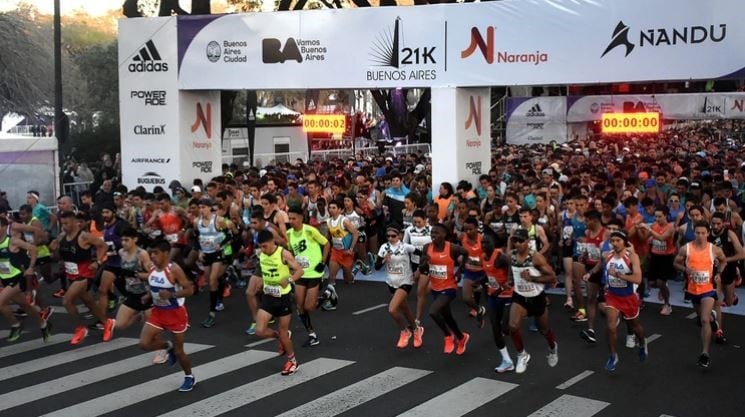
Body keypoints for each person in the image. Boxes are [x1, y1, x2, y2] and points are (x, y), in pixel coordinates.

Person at [139, 239, 196, 391]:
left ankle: (189, 376)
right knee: (144, 344)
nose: (152, 256)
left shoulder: (174, 269)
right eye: (151, 253)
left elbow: (189, 290)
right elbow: (155, 287)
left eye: (156, 253)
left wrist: (172, 294)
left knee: (179, 352)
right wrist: (148, 296)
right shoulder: (151, 268)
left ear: (166, 253)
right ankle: (167, 346)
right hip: (158, 312)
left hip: (175, 314)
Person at [587, 230, 647, 371]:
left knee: (635, 326)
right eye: (612, 241)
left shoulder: (632, 257)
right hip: (612, 296)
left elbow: (638, 279)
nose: (614, 243)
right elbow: (599, 265)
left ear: (624, 241)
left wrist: (619, 275)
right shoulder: (607, 256)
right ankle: (613, 356)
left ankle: (643, 343)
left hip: (628, 297)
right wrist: (589, 273)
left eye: (618, 240)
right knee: (611, 327)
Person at [52, 211, 115, 345]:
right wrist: (54, 250)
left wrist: (97, 262)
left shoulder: (84, 236)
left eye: (66, 223)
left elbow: (103, 245)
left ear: (75, 222)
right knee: (89, 302)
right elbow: (58, 256)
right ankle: (106, 322)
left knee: (67, 301)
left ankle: (80, 328)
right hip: (72, 275)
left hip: (85, 274)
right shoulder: (62, 236)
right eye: (62, 224)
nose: (64, 226)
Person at [673, 221, 727, 368]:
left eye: (703, 233)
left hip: (709, 289)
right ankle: (712, 318)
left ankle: (705, 354)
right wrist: (686, 269)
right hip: (693, 290)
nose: (700, 236)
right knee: (704, 318)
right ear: (694, 233)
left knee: (703, 320)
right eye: (697, 233)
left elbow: (723, 261)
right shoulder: (686, 249)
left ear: (708, 233)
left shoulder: (714, 249)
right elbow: (676, 263)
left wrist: (719, 274)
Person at [253, 229, 304, 375]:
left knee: (283, 331)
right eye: (261, 246)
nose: (263, 250)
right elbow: (265, 270)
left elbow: (300, 271)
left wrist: (288, 280)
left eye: (265, 246)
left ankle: (293, 361)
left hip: (283, 298)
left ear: (272, 242)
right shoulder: (261, 254)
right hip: (268, 296)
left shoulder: (283, 254)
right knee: (260, 330)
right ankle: (281, 338)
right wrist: (262, 282)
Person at [507, 229, 559, 374]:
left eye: (520, 241)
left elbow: (552, 277)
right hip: (520, 297)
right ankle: (522, 355)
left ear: (528, 241)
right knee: (512, 326)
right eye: (514, 241)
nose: (517, 244)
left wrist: (533, 278)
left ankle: (552, 347)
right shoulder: (511, 256)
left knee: (544, 330)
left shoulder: (536, 258)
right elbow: (510, 273)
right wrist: (509, 281)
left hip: (536, 298)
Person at [419, 223, 471, 355]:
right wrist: (424, 263)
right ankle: (461, 337)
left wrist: (460, 270)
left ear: (444, 235)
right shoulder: (427, 248)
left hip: (449, 287)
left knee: (433, 311)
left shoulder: (451, 248)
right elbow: (423, 269)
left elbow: (466, 253)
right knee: (447, 317)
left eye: (436, 233)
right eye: (432, 233)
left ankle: (448, 336)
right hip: (436, 287)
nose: (433, 235)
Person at [0, 216, 51, 342]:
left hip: (17, 278)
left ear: (3, 227)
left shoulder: (12, 241)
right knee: (26, 305)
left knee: (1, 302)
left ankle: (16, 325)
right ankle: (44, 324)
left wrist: (31, 267)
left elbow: (33, 249)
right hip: (5, 278)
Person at [287, 207, 330, 348]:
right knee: (300, 306)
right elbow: (290, 253)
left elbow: (326, 244)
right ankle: (312, 335)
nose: (291, 221)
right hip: (301, 273)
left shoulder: (310, 230)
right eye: (290, 218)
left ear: (301, 218)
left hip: (314, 272)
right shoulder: (289, 234)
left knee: (309, 306)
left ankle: (326, 296)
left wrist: (323, 263)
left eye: (294, 218)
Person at [376, 224, 419, 349]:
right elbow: (377, 267)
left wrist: (419, 269)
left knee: (392, 309)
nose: (390, 238)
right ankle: (416, 330)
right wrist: (384, 260)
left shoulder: (405, 247)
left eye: (393, 236)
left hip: (405, 281)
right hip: (391, 282)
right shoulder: (384, 247)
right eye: (388, 236)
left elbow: (421, 254)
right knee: (404, 309)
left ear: (399, 235)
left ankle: (405, 331)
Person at [708, 212, 745, 344]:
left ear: (724, 223)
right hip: (715, 272)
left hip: (729, 269)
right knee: (717, 303)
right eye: (713, 223)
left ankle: (733, 296)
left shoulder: (729, 234)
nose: (715, 226)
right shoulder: (707, 234)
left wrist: (725, 260)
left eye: (718, 223)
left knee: (728, 302)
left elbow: (742, 254)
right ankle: (719, 331)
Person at [480, 233, 515, 372]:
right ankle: (506, 360)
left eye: (487, 242)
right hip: (493, 296)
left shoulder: (500, 257)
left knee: (506, 328)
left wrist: (504, 285)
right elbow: (487, 275)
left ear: (493, 244)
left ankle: (521, 351)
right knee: (495, 328)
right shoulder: (483, 257)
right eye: (482, 243)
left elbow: (512, 269)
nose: (483, 245)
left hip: (507, 296)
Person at [194, 198, 229, 328]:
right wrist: (199, 251)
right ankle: (223, 282)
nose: (201, 210)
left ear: (209, 208)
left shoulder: (218, 220)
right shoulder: (197, 222)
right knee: (210, 281)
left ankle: (212, 314)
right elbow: (195, 236)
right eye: (200, 207)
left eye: (203, 207)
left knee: (213, 280)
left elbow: (230, 234)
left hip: (217, 253)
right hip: (206, 253)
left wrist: (221, 245)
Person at [402, 209, 431, 348]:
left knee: (420, 292)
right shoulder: (409, 230)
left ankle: (417, 320)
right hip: (414, 262)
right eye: (415, 222)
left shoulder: (431, 230)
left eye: (419, 222)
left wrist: (421, 267)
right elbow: (403, 245)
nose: (417, 224)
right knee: (423, 290)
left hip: (428, 263)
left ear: (426, 220)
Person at [643, 205, 676, 316]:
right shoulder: (654, 225)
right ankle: (663, 286)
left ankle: (667, 304)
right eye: (656, 216)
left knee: (661, 282)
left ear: (665, 215)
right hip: (655, 256)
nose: (657, 219)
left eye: (659, 217)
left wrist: (649, 229)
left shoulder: (670, 227)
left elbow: (662, 238)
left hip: (666, 257)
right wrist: (640, 228)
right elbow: (645, 238)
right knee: (652, 283)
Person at [326, 198, 360, 289]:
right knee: (331, 278)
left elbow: (355, 233)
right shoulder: (328, 221)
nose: (331, 210)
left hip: (346, 252)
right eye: (330, 208)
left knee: (348, 280)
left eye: (334, 208)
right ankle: (330, 294)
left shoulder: (344, 221)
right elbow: (329, 236)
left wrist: (351, 249)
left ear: (340, 210)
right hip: (336, 252)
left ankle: (355, 270)